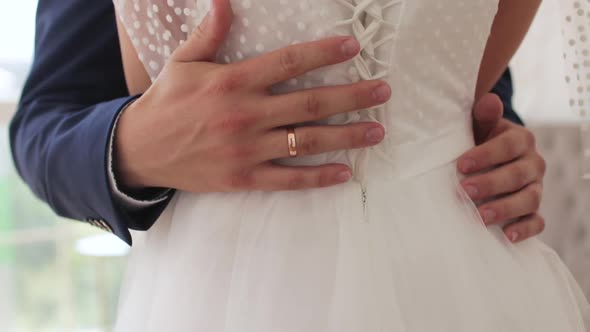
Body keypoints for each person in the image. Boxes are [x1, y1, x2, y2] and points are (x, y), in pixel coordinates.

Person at [10, 0, 580, 330]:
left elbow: (452, 61)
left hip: (466, 275)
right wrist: (133, 143)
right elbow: (46, 120)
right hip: (228, 290)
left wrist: (488, 131)